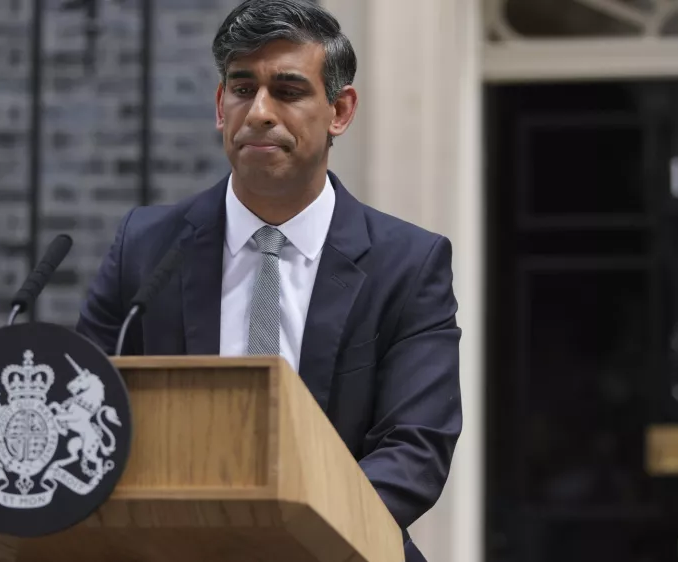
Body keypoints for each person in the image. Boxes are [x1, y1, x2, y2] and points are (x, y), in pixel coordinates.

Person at [75, 1, 461, 560]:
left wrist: (283, 538)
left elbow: (414, 450)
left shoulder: (408, 264)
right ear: (218, 104)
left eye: (287, 90)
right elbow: (86, 411)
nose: (258, 111)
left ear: (340, 110)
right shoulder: (146, 247)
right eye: (241, 88)